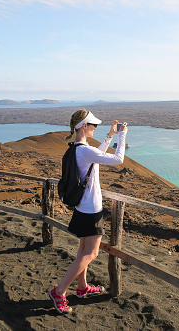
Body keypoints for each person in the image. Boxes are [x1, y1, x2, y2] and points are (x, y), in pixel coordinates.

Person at [49, 109, 128, 314]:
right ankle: (59, 291)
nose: (94, 128)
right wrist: (122, 135)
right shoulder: (84, 150)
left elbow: (97, 156)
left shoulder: (77, 148)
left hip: (82, 207)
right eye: (93, 125)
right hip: (91, 209)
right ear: (84, 126)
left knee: (83, 251)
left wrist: (109, 135)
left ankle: (82, 287)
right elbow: (118, 159)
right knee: (91, 253)